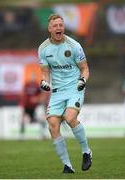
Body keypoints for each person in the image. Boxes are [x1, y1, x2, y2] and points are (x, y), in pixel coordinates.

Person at [38, 14, 92, 173]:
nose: (58, 28)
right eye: (55, 26)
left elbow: (85, 68)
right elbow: (45, 72)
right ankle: (68, 166)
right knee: (53, 126)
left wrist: (83, 80)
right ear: (49, 29)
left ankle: (86, 151)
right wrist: (44, 82)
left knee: (69, 117)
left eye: (61, 25)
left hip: (74, 88)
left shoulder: (74, 45)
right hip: (57, 92)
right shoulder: (43, 48)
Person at [20, 72, 42, 138]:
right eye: (32, 77)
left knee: (38, 119)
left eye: (34, 77)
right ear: (30, 77)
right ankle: (21, 135)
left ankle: (41, 134)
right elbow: (22, 94)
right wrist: (22, 104)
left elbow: (41, 95)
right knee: (23, 119)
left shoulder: (36, 85)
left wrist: (37, 99)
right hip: (26, 106)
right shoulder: (27, 85)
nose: (33, 78)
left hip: (34, 106)